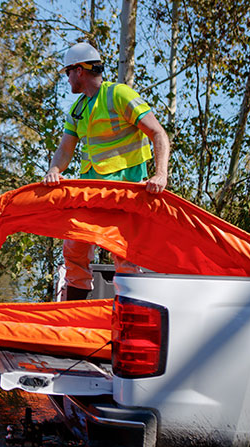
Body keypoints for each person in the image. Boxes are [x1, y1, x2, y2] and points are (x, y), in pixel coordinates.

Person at [42, 42, 171, 300]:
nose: (66, 78)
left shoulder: (119, 95)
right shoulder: (77, 109)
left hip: (125, 193)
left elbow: (158, 133)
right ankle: (73, 312)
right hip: (91, 193)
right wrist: (54, 169)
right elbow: (65, 150)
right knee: (74, 247)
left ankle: (129, 311)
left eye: (67, 72)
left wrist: (160, 174)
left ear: (79, 70)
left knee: (124, 253)